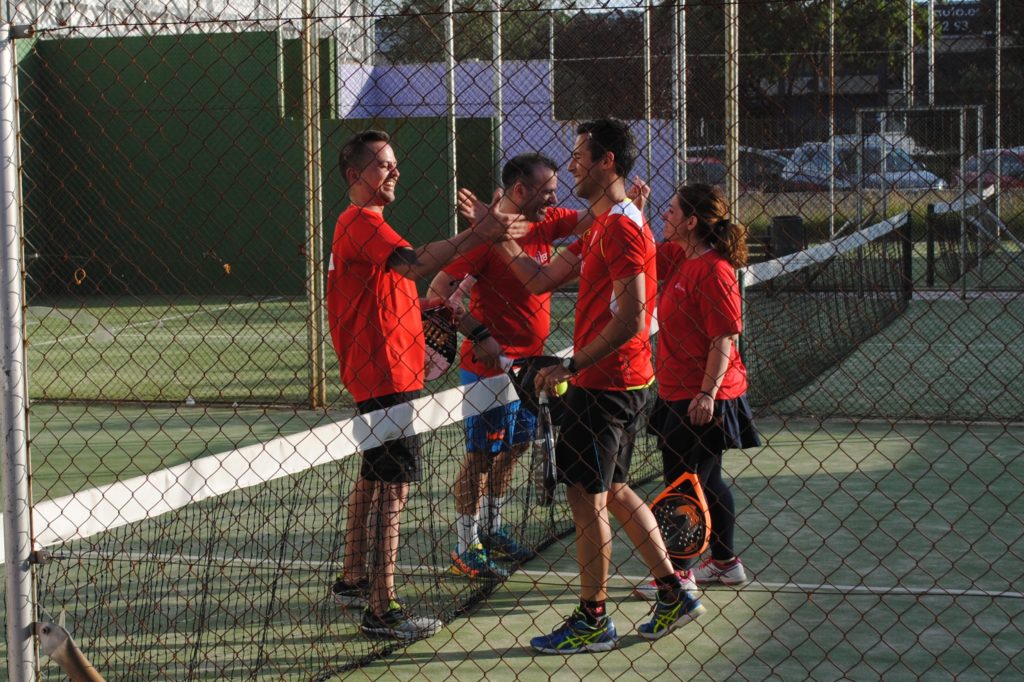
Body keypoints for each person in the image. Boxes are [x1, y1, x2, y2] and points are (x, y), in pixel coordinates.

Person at [486, 118, 705, 653]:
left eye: (580, 155)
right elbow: (540, 279)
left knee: (587, 498)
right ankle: (673, 592)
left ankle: (593, 619)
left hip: (607, 385)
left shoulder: (624, 229)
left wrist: (573, 365)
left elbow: (631, 320)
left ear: (607, 161)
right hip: (611, 381)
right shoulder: (603, 225)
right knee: (618, 490)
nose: (572, 165)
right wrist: (498, 237)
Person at [326, 129, 510, 640]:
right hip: (386, 377)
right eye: (384, 164)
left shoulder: (366, 227)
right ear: (355, 175)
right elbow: (417, 263)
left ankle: (353, 579)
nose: (395, 171)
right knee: (395, 488)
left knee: (373, 478)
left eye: (395, 163)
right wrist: (480, 234)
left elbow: (398, 293)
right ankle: (382, 609)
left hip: (382, 374)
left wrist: (447, 315)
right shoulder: (361, 222)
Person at [428, 153, 587, 580]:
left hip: (530, 368)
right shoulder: (483, 240)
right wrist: (479, 334)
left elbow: (592, 221)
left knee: (514, 450)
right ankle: (466, 545)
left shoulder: (547, 222)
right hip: (488, 372)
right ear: (520, 189)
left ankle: (493, 527)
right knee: (481, 457)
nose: (555, 199)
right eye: (547, 191)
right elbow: (439, 289)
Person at [633, 182, 761, 601]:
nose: (664, 216)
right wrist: (637, 212)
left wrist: (706, 394)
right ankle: (724, 562)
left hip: (705, 396)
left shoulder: (714, 270)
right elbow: (645, 254)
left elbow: (723, 338)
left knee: (682, 483)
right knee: (708, 478)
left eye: (670, 211)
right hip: (679, 391)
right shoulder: (680, 257)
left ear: (691, 222)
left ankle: (679, 575)